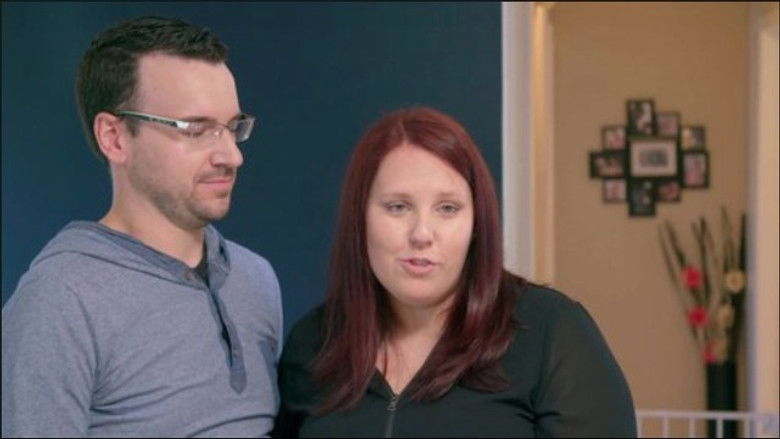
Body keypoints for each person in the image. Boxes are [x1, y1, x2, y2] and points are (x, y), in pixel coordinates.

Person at [273, 107, 636, 437]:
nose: (421, 233)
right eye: (398, 207)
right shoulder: (313, 344)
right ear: (360, 219)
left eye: (447, 208)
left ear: (476, 223)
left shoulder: (551, 332)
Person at [1, 16, 283, 437]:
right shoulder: (60, 301)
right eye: (196, 129)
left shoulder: (256, 280)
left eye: (232, 128)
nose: (231, 156)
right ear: (114, 138)